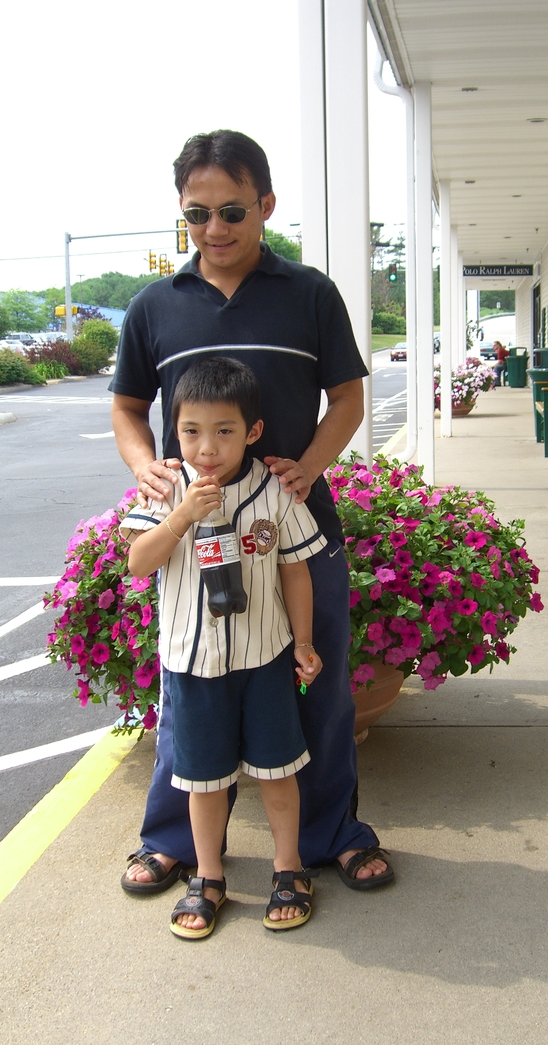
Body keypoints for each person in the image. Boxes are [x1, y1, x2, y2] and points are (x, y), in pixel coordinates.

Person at [110, 129, 393, 895]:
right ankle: (174, 840)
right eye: (196, 214)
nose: (215, 228)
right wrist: (144, 466)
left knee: (317, 682)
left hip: (294, 531)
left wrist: (312, 463)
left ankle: (331, 834)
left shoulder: (309, 294)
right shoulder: (155, 307)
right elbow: (128, 407)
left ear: (265, 204)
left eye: (232, 210)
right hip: (193, 538)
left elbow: (347, 398)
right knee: (190, 688)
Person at [120, 357, 325, 938]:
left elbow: (295, 570)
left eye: (224, 431)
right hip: (193, 662)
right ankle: (208, 875)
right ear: (174, 430)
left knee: (277, 771)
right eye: (191, 431)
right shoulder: (166, 487)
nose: (206, 447)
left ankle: (289, 867)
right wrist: (183, 515)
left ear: (253, 431)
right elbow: (138, 563)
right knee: (203, 779)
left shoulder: (275, 490)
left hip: (264, 657)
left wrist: (303, 643)